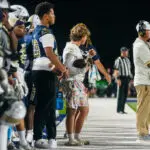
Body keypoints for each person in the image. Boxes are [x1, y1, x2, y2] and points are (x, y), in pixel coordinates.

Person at [62, 23, 111, 146]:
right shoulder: (70, 48)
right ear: (82, 36)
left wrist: (88, 57)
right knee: (72, 110)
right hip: (72, 81)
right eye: (85, 36)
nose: (86, 39)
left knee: (84, 109)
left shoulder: (76, 48)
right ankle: (70, 138)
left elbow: (80, 64)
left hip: (79, 81)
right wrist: (87, 60)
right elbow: (71, 67)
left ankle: (77, 137)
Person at [32, 2, 69, 149]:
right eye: (52, 13)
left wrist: (55, 68)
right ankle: (38, 138)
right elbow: (49, 53)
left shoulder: (36, 31)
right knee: (44, 106)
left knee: (49, 106)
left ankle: (51, 138)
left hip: (42, 71)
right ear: (46, 16)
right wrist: (63, 69)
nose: (54, 16)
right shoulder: (46, 32)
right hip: (44, 73)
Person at [133, 20, 150, 142]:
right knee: (143, 108)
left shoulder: (143, 44)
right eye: (149, 30)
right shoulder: (140, 45)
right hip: (144, 81)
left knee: (147, 109)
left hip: (146, 80)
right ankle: (142, 133)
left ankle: (145, 131)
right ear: (143, 32)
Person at [113, 46, 132, 114]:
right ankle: (119, 109)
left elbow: (129, 70)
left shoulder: (127, 60)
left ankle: (122, 109)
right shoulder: (118, 60)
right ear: (123, 52)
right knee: (120, 94)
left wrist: (130, 79)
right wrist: (117, 79)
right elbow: (116, 70)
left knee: (125, 94)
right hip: (121, 78)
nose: (127, 52)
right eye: (126, 51)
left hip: (127, 78)